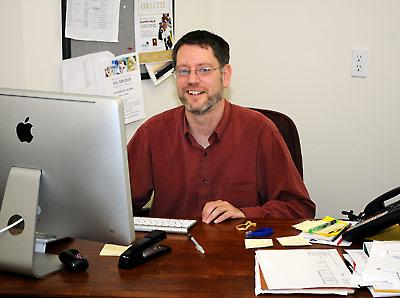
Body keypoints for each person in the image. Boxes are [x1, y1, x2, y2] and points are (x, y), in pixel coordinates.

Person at [127, 30, 315, 224]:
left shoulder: (261, 131)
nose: (192, 79)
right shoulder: (152, 133)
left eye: (204, 69)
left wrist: (244, 213)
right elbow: (118, 204)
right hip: (171, 250)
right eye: (183, 70)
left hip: (239, 250)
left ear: (225, 76)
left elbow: (300, 208)